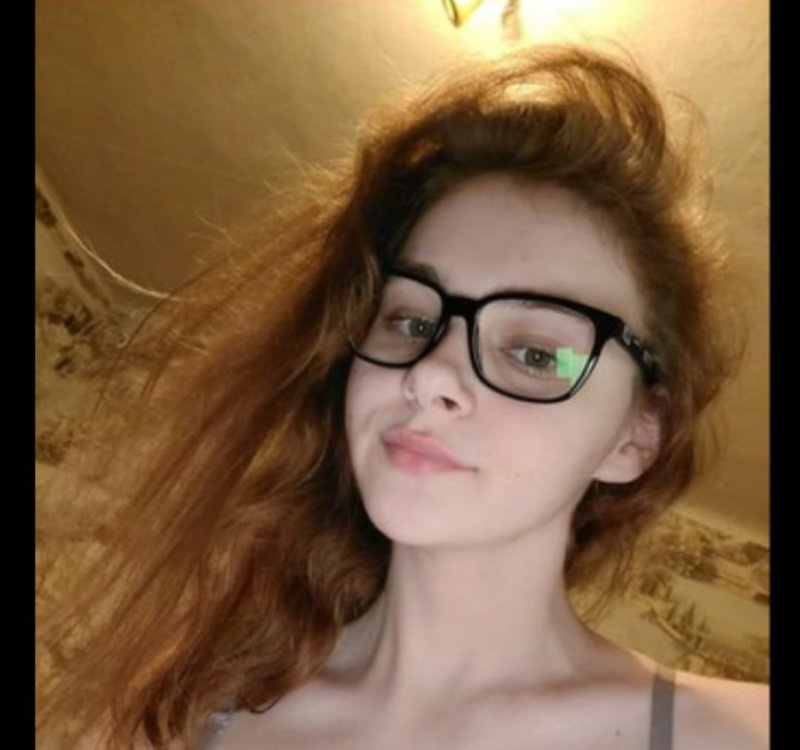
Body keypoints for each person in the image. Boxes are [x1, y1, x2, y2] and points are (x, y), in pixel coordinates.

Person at [36, 44, 768, 749]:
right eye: (412, 320)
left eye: (536, 353)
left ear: (635, 436)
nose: (431, 374)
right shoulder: (176, 719)